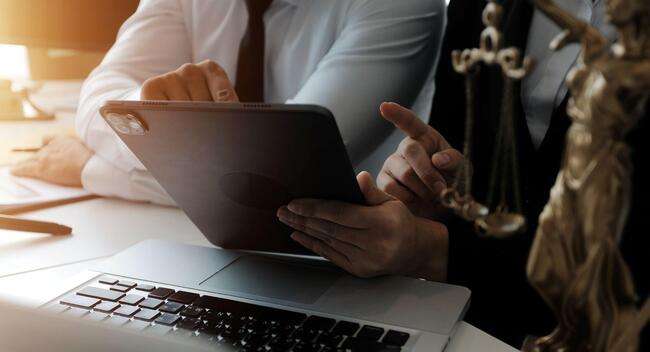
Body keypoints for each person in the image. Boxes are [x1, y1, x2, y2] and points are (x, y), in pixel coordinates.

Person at [277, 0, 649, 352]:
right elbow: (455, 149)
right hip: (468, 347)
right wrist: (434, 188)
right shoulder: (481, 8)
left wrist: (434, 250)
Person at [13, 0, 445, 204]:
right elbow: (102, 89)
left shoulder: (400, 5)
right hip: (184, 243)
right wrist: (146, 105)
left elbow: (278, 181)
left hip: (340, 270)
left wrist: (89, 168)